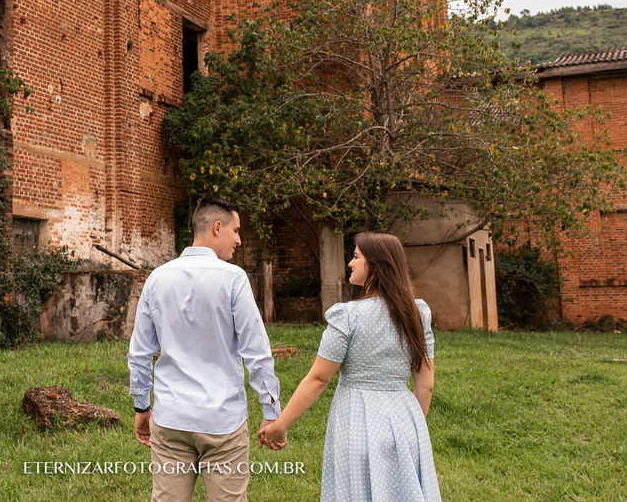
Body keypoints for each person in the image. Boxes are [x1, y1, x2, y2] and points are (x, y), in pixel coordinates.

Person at [261, 231, 440, 502]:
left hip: (356, 422)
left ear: (375, 265)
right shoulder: (416, 315)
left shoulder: (348, 317)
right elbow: (425, 385)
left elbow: (318, 380)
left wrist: (280, 425)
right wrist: (412, 429)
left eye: (356, 257)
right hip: (406, 422)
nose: (350, 263)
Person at [128, 196, 281, 502]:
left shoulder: (157, 278)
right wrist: (271, 411)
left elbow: (140, 353)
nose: (238, 240)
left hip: (171, 418)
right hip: (222, 421)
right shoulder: (234, 279)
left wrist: (141, 407)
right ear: (217, 227)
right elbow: (256, 351)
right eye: (235, 231)